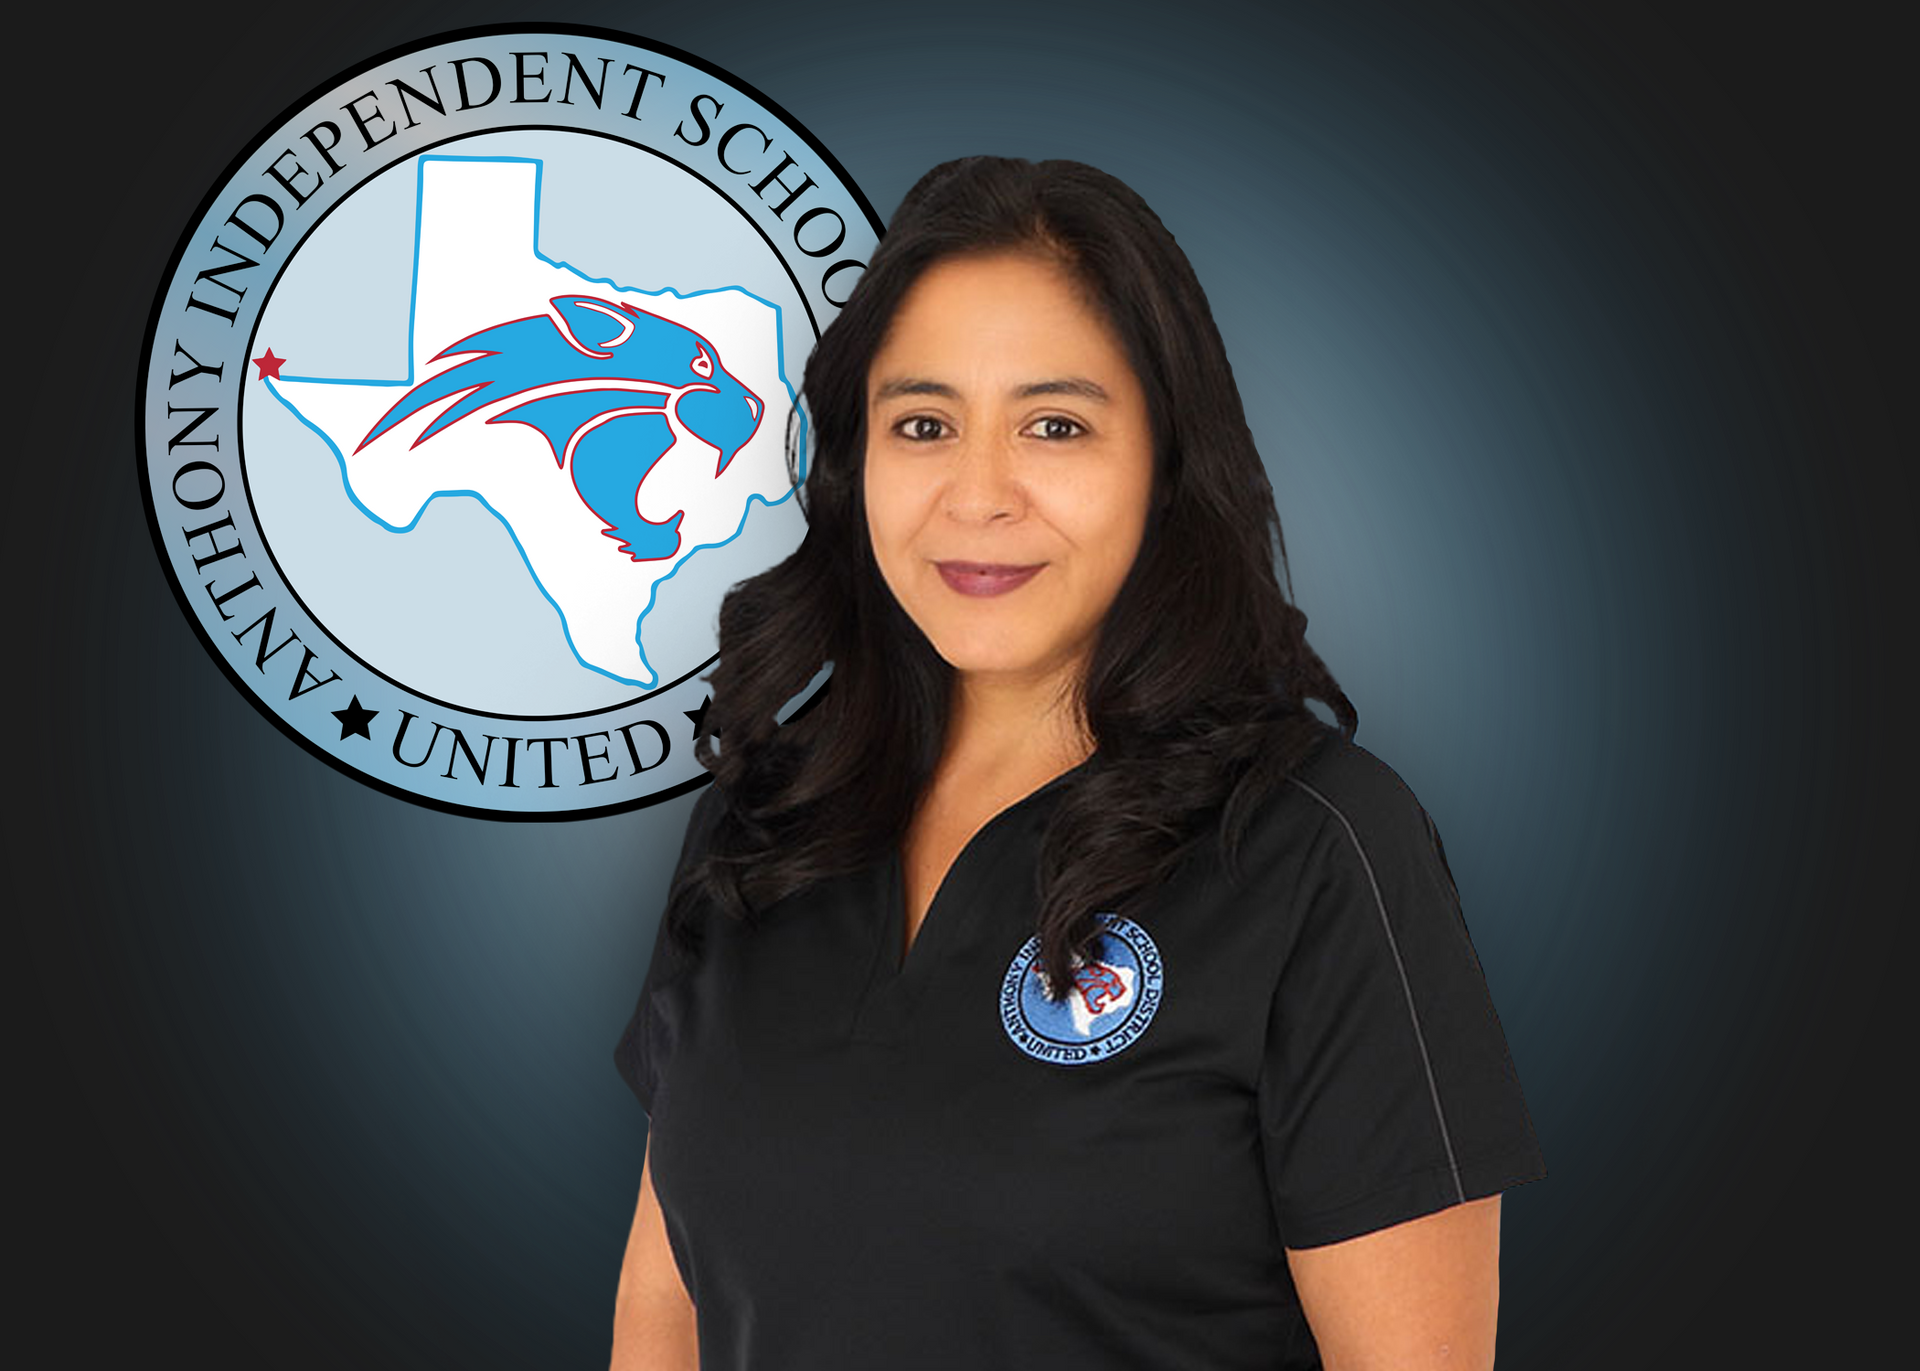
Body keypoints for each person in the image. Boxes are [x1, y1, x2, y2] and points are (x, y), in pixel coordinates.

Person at [609, 155, 1545, 1371]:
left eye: (1055, 426)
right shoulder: (763, 821)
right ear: (855, 465)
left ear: (1165, 465)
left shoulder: (1313, 848)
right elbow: (664, 1316)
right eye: (924, 424)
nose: (978, 494)